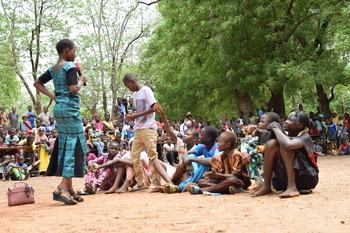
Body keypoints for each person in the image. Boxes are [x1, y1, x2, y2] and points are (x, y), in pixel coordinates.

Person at [34, 39, 87, 205]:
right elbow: (74, 89)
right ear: (66, 50)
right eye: (74, 50)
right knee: (76, 145)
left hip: (59, 109)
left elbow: (37, 83)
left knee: (66, 143)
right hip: (70, 109)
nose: (75, 53)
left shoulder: (53, 69)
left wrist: (54, 96)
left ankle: (70, 188)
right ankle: (62, 188)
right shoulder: (69, 67)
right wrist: (81, 79)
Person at [253, 111, 319, 198]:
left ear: (299, 125)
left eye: (290, 120)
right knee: (272, 143)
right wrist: (259, 131)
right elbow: (279, 137)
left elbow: (288, 144)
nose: (286, 121)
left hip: (306, 179)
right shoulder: (287, 135)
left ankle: (292, 188)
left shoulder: (305, 137)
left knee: (285, 145)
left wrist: (276, 128)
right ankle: (266, 186)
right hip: (283, 180)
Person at [123, 73, 160, 192]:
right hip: (138, 129)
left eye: (129, 86)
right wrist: (131, 116)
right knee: (134, 156)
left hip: (148, 128)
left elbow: (154, 107)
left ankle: (156, 183)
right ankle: (141, 183)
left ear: (132, 81)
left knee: (152, 155)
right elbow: (137, 110)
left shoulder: (146, 90)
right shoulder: (134, 95)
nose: (129, 89)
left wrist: (136, 115)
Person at [187, 131, 251, 195]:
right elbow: (216, 171)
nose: (218, 144)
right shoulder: (220, 156)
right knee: (202, 182)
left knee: (232, 180)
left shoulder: (236, 155)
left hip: (239, 182)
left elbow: (235, 176)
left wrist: (217, 175)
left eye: (220, 142)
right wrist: (211, 175)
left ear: (228, 144)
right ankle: (229, 189)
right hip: (224, 181)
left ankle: (201, 190)